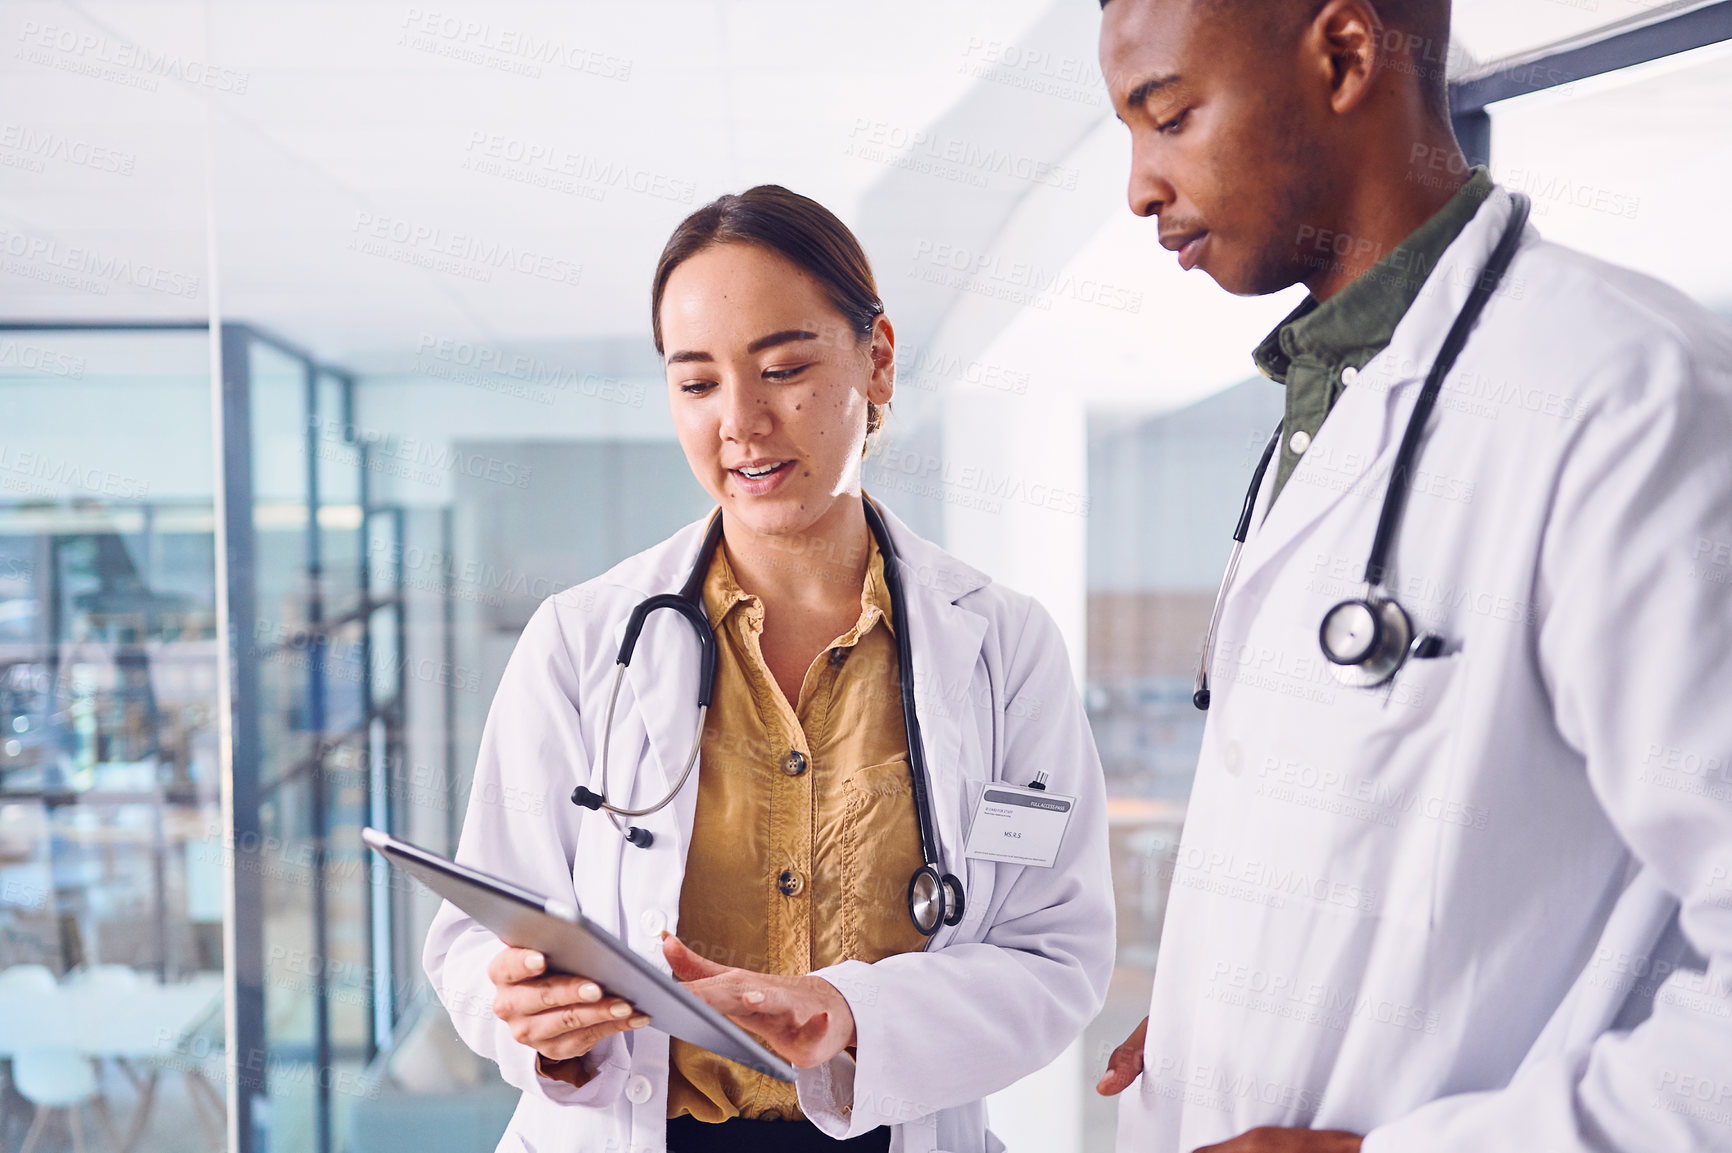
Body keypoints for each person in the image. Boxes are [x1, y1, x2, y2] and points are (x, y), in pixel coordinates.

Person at [1090, 2, 1732, 1152]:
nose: (1139, 186)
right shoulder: (1331, 388)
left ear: (1343, 56)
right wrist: (1216, 1008)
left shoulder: (1621, 391)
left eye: (1170, 117)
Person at [423, 184, 1115, 1153]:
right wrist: (545, 1033)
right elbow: (474, 935)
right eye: (697, 383)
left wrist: (846, 1008)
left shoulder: (1002, 644)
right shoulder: (581, 637)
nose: (740, 422)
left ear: (876, 362)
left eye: (783, 368)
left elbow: (1054, 954)